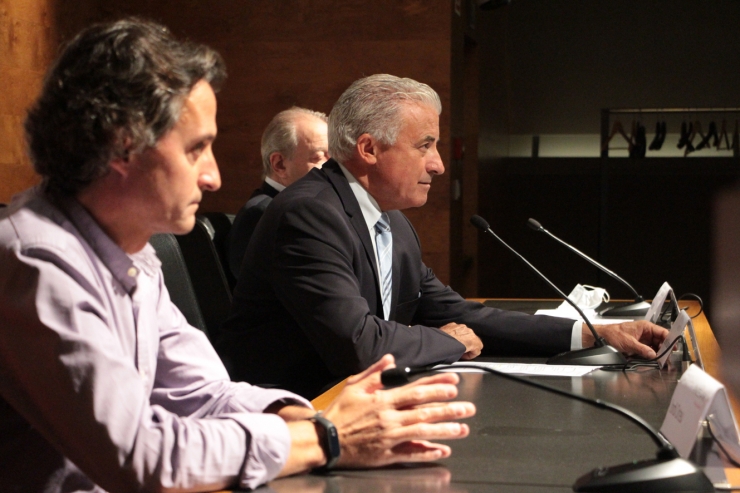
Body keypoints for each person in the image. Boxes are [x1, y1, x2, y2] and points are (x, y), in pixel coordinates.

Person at [0, 21, 476, 492]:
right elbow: (141, 458)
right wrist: (326, 438)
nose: (212, 178)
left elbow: (201, 392)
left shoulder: (128, 247)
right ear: (121, 147)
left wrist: (319, 415)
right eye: (196, 149)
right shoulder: (38, 262)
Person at [218, 74, 669, 399]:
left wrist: (591, 334)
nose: (438, 164)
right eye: (424, 146)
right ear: (369, 149)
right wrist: (453, 341)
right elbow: (361, 345)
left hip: (359, 404)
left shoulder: (391, 222)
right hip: (295, 416)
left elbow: (456, 312)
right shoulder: (309, 214)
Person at [227, 107, 329, 278]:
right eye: (319, 157)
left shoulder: (301, 210)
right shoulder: (263, 214)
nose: (332, 167)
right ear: (280, 164)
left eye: (334, 156)